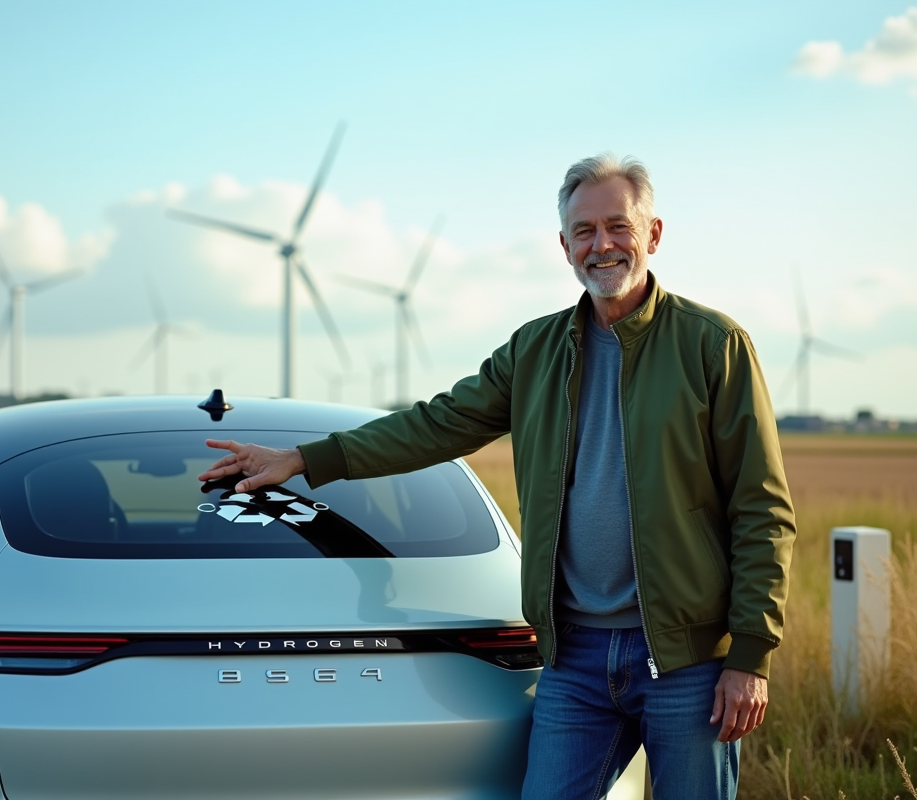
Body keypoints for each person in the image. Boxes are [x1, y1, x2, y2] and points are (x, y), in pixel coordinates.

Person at [196, 153, 796, 800]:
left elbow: (761, 509)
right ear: (564, 245)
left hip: (687, 662)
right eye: (584, 232)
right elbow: (434, 425)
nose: (602, 246)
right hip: (575, 659)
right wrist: (306, 459)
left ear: (652, 235)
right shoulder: (533, 350)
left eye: (618, 227)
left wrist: (750, 658)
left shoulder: (713, 345)